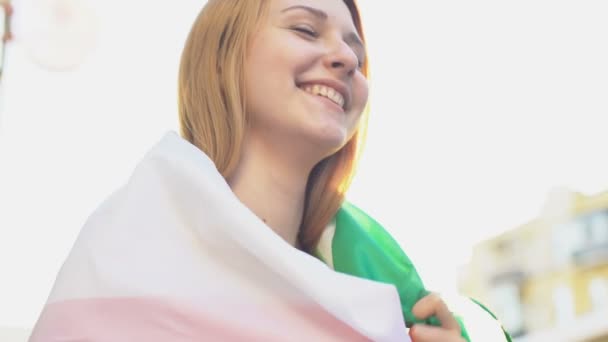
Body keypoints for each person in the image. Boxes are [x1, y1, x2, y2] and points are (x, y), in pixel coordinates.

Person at [30, 1, 511, 341]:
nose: (346, 59)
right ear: (224, 56)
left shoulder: (379, 287)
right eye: (305, 29)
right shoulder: (123, 257)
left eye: (357, 55)